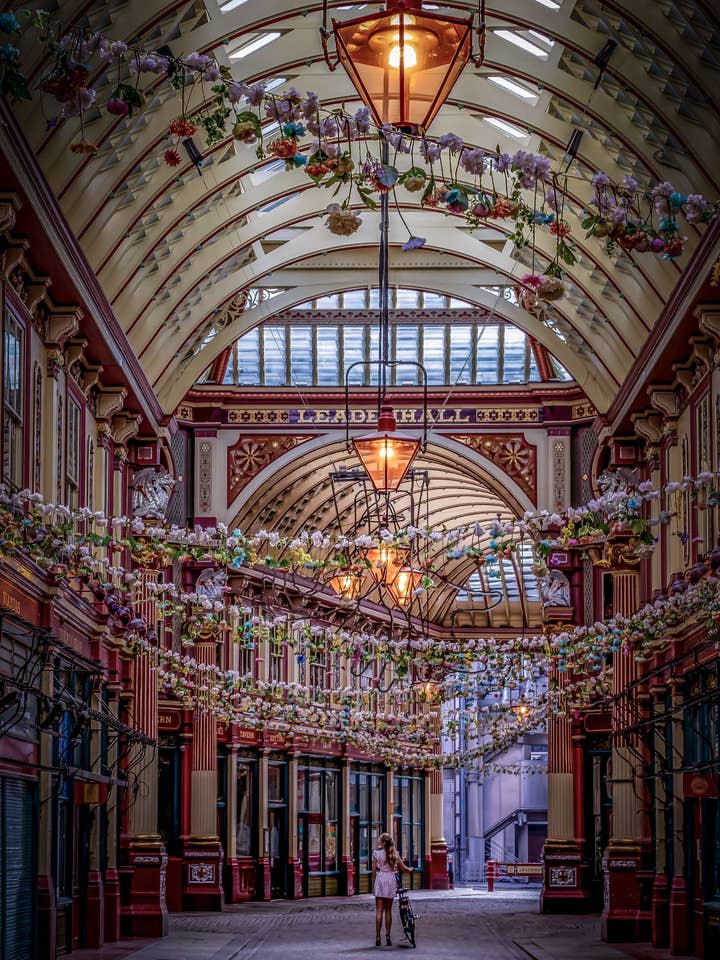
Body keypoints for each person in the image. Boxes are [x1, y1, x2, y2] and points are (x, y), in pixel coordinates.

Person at [371, 832, 411, 947]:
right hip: (390, 879)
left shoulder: (376, 854)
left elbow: (374, 871)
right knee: (388, 910)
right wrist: (410, 869)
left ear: (383, 843)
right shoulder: (395, 854)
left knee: (379, 910)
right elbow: (403, 868)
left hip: (380, 878)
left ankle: (378, 936)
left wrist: (376, 880)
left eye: (380, 841)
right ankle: (388, 936)